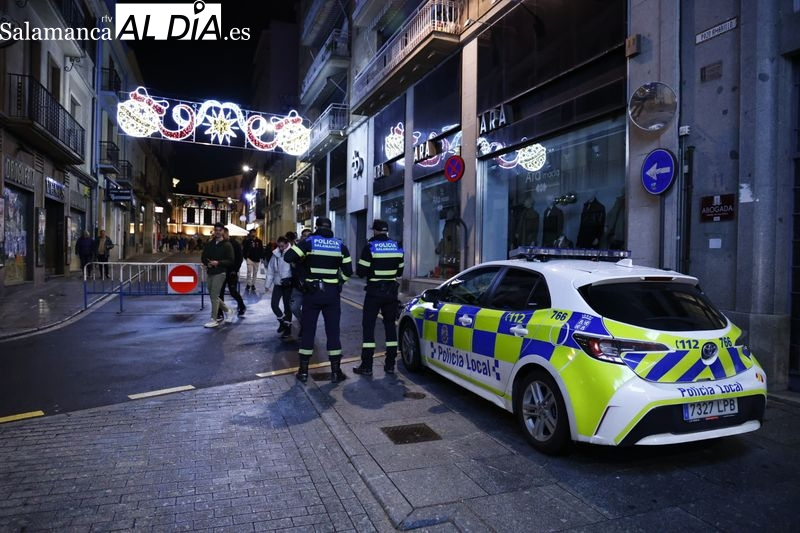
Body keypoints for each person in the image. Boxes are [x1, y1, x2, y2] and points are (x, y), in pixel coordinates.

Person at [283, 217, 352, 383]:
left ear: (317, 227)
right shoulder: (340, 245)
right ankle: (336, 372)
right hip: (332, 294)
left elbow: (288, 257)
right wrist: (338, 281)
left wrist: (304, 263)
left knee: (308, 332)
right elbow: (348, 271)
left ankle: (303, 372)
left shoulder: (310, 242)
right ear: (330, 228)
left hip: (312, 293)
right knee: (333, 332)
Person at [353, 219, 405, 376]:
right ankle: (390, 365)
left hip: (374, 292)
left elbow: (361, 271)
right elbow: (400, 272)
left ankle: (367, 366)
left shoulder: (370, 247)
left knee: (368, 328)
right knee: (390, 326)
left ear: (375, 230)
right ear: (386, 231)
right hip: (391, 293)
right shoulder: (397, 246)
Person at [200, 222, 234, 328]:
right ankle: (228, 311)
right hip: (210, 271)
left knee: (214, 295)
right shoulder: (210, 243)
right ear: (214, 231)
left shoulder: (227, 245)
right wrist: (207, 263)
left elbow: (231, 260)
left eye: (220, 230)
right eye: (216, 230)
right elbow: (204, 256)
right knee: (213, 295)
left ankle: (214, 319)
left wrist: (218, 263)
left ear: (223, 231)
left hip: (221, 272)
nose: (218, 232)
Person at [264, 236, 294, 338]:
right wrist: (267, 285)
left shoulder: (292, 253)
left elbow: (295, 270)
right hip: (278, 284)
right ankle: (282, 323)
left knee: (287, 308)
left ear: (286, 244)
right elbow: (271, 270)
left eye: (282, 246)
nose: (280, 248)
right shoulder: (275, 254)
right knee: (274, 305)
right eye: (279, 246)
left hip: (288, 285)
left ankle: (288, 329)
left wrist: (290, 280)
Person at [218, 227, 246, 318]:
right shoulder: (219, 244)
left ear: (227, 234)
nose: (222, 236)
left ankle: (242, 306)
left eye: (223, 234)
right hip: (221, 271)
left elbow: (239, 258)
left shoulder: (235, 244)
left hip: (231, 272)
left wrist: (235, 270)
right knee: (220, 293)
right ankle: (220, 312)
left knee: (233, 291)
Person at [242, 228, 264, 293]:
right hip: (249, 258)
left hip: (257, 259)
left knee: (255, 272)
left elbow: (261, 249)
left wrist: (261, 257)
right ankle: (248, 284)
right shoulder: (247, 241)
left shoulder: (259, 241)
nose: (253, 234)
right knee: (249, 271)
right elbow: (244, 249)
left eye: (254, 233)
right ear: (250, 234)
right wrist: (245, 257)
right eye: (252, 233)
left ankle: (253, 284)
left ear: (256, 233)